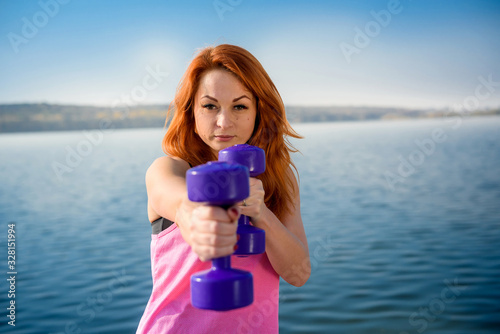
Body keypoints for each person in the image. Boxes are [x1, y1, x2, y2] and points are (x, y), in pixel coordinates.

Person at [136, 44, 310, 333]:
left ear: (258, 112)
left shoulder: (280, 180)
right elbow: (182, 205)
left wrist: (261, 214)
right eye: (209, 106)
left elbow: (299, 274)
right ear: (191, 112)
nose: (224, 122)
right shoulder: (167, 170)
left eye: (239, 106)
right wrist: (201, 220)